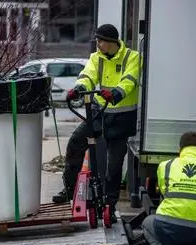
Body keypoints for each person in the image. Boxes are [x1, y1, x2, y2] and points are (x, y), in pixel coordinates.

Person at [52, 24, 142, 222]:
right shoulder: (96, 57)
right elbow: (88, 75)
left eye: (101, 41)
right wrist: (79, 88)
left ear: (111, 42)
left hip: (122, 118)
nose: (98, 44)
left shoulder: (132, 57)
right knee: (75, 143)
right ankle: (69, 190)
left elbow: (129, 79)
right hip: (99, 114)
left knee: (114, 164)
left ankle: (109, 204)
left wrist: (116, 93)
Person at [142, 131, 196, 245]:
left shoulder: (166, 165)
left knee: (148, 223)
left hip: (170, 228)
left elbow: (164, 191)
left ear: (180, 148)